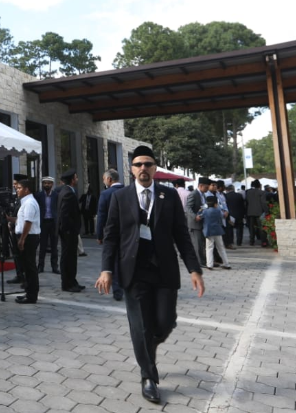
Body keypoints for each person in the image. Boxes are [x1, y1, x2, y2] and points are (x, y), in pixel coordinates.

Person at [95, 146, 205, 404]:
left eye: (148, 164)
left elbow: (182, 236)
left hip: (164, 269)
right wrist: (106, 269)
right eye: (138, 164)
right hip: (133, 271)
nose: (143, 168)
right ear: (131, 169)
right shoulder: (119, 197)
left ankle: (149, 345)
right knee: (141, 325)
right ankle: (148, 376)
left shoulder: (169, 196)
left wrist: (194, 269)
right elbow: (111, 237)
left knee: (165, 322)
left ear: (155, 168)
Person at [96, 169, 124, 301]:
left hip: (111, 232)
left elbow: (101, 215)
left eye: (104, 179)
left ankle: (117, 290)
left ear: (109, 179)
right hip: (128, 233)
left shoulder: (106, 194)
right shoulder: (128, 191)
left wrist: (99, 234)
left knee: (113, 259)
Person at [14, 179, 41, 304]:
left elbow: (28, 222)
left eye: (19, 188)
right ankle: (28, 291)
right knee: (26, 265)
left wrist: (22, 239)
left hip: (29, 237)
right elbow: (22, 220)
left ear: (26, 189)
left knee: (30, 267)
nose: (17, 190)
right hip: (26, 236)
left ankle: (31, 295)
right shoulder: (25, 202)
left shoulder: (29, 202)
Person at [57, 169, 83, 292]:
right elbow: (64, 214)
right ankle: (67, 283)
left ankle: (72, 280)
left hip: (70, 231)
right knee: (68, 257)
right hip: (68, 231)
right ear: (72, 180)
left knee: (72, 257)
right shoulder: (68, 193)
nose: (77, 179)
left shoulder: (68, 191)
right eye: (76, 177)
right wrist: (69, 229)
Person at [7, 173, 28, 286]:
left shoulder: (26, 199)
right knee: (16, 254)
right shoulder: (17, 197)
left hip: (22, 230)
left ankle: (24, 276)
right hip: (15, 228)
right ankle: (19, 274)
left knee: (22, 255)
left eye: (16, 184)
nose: (14, 187)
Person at [35, 176, 59, 274]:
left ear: (52, 184)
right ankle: (40, 266)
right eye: (45, 183)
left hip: (53, 222)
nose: (47, 185)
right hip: (43, 222)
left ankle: (55, 267)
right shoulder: (39, 195)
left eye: (49, 183)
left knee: (54, 246)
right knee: (43, 246)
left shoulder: (56, 195)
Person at [186, 177, 211, 268]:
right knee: (197, 244)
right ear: (200, 186)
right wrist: (194, 216)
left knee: (201, 243)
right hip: (195, 223)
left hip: (202, 222)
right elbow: (188, 208)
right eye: (206, 187)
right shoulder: (194, 194)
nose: (207, 189)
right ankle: (199, 262)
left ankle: (203, 261)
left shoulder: (203, 195)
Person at [202, 195, 231, 269]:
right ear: (215, 204)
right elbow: (222, 216)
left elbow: (199, 216)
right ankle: (226, 263)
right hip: (218, 230)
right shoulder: (218, 210)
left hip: (208, 231)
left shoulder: (205, 211)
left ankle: (209, 264)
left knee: (209, 248)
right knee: (221, 247)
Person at [245, 180, 269, 247]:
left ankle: (251, 241)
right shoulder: (262, 192)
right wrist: (266, 211)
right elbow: (263, 203)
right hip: (259, 212)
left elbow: (246, 202)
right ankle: (263, 241)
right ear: (259, 185)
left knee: (251, 227)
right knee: (261, 228)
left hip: (250, 212)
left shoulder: (248, 192)